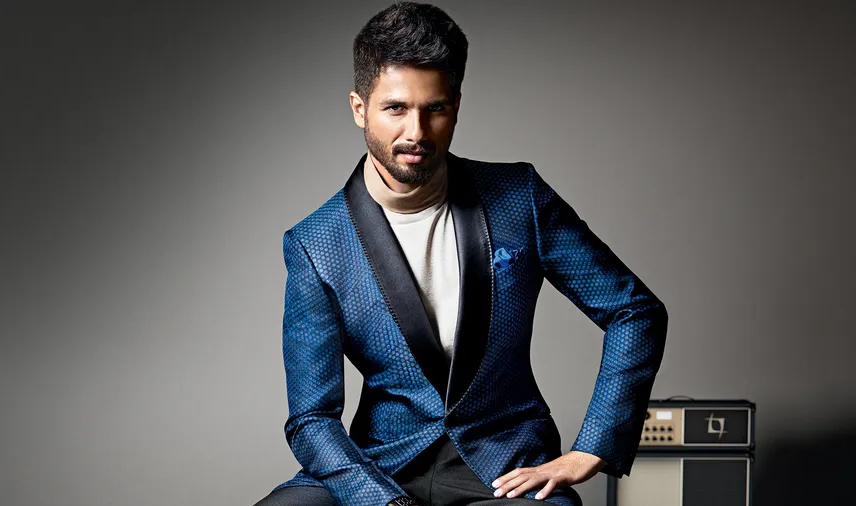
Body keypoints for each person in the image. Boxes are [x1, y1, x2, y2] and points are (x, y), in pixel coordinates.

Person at [254, 2, 668, 505]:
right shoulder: (316, 243)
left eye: (435, 109)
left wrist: (593, 448)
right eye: (395, 109)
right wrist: (383, 501)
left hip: (505, 465)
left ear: (456, 105)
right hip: (379, 465)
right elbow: (311, 418)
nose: (416, 132)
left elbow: (634, 310)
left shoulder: (519, 198)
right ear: (359, 108)